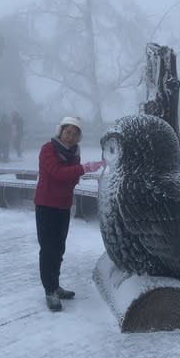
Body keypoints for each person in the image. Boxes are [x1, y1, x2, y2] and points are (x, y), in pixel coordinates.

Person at [34, 116, 104, 312]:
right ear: (60, 131)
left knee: (58, 248)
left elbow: (71, 179)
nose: (70, 137)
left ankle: (55, 285)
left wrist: (76, 172)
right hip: (46, 205)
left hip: (63, 206)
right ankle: (50, 291)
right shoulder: (48, 149)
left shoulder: (74, 154)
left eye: (75, 134)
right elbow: (57, 172)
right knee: (48, 249)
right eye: (67, 132)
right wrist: (83, 169)